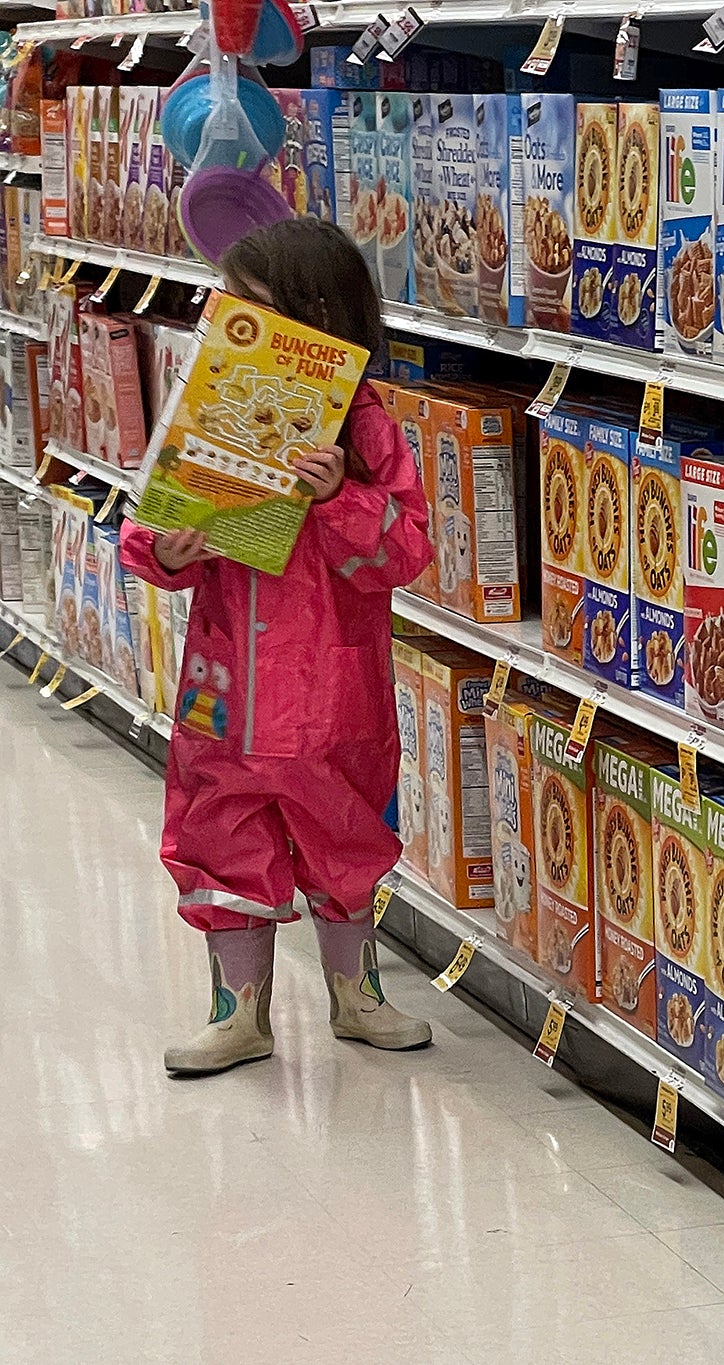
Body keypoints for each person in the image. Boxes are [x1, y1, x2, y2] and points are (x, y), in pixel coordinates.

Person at [120, 217, 436, 1076]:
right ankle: (238, 1011)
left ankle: (355, 993)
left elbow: (407, 549)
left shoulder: (366, 428)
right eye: (225, 308)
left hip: (335, 690)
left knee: (344, 831)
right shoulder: (209, 406)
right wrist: (167, 547)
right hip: (225, 685)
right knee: (220, 828)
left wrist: (339, 498)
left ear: (315, 322)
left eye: (247, 309)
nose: (227, 324)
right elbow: (145, 524)